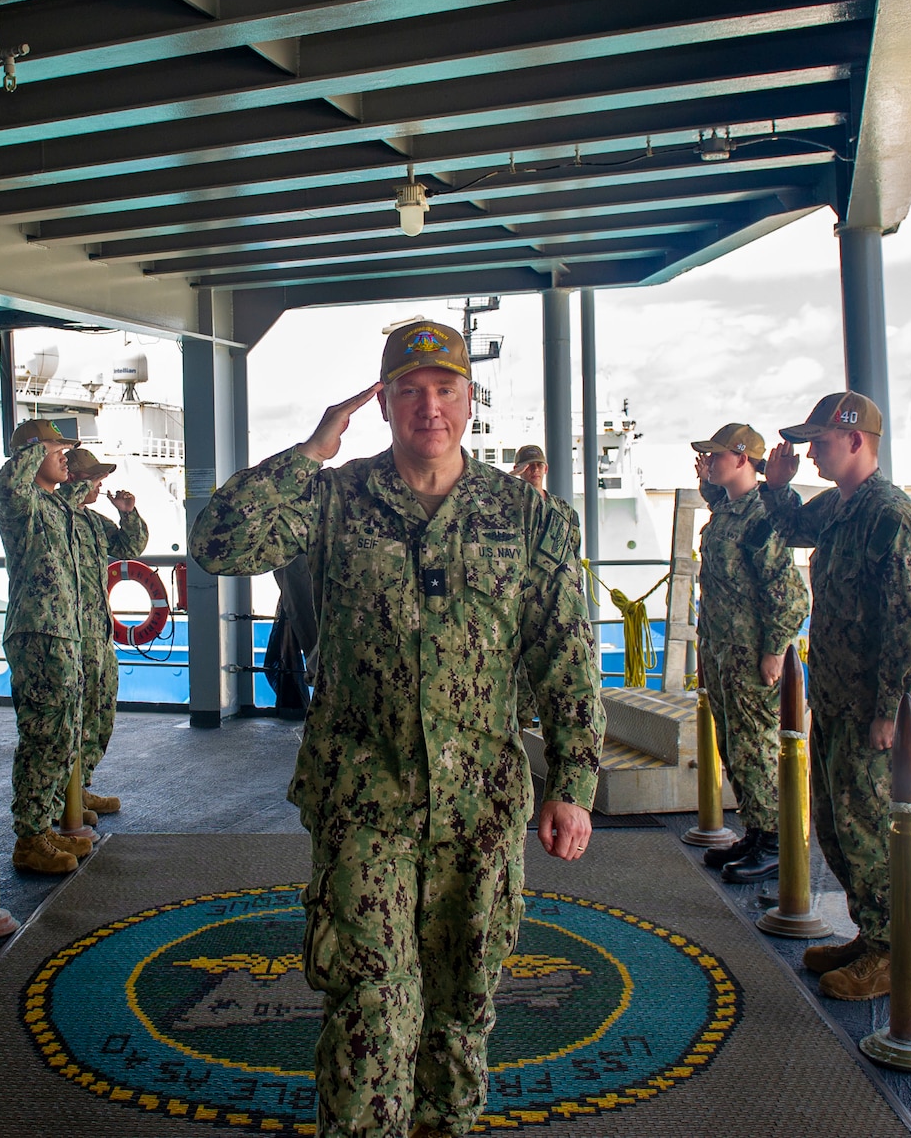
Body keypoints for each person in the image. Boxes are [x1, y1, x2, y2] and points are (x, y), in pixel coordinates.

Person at [190, 319, 604, 1136]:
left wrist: (574, 785)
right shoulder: (334, 498)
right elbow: (216, 542)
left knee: (461, 1008)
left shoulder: (529, 516)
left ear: (469, 398)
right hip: (365, 801)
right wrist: (310, 451)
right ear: (381, 403)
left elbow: (565, 654)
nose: (429, 407)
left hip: (479, 809)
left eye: (445, 389)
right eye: (409, 391)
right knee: (369, 1005)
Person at [764, 391, 911, 1000]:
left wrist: (893, 708)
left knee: (865, 826)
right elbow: (786, 527)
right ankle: (873, 935)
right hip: (833, 698)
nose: (811, 452)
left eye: (821, 441)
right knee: (835, 826)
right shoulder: (840, 509)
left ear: (857, 440)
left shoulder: (890, 515)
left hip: (870, 707)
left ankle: (895, 953)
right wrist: (777, 483)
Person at [689, 424, 808, 883]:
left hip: (749, 654)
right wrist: (707, 485)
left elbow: (792, 596)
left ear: (742, 459)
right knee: (732, 745)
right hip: (722, 650)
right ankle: (758, 831)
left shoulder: (761, 517)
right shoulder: (728, 509)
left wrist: (774, 650)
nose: (710, 462)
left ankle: (776, 841)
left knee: (754, 745)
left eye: (717, 456)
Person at [0, 419, 94, 875]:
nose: (64, 458)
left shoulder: (56, 506)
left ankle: (45, 821)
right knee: (43, 736)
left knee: (64, 734)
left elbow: (83, 486)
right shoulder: (21, 501)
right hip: (38, 633)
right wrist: (35, 448)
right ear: (32, 453)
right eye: (57, 450)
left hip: (64, 632)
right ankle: (29, 837)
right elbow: (8, 481)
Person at [62, 447, 148, 816]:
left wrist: (127, 515)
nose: (102, 484)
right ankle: (62, 799)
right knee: (69, 718)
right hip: (67, 633)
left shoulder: (94, 523)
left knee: (99, 711)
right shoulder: (56, 517)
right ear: (76, 481)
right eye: (95, 477)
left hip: (97, 633)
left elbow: (131, 547)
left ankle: (81, 785)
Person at [509, 444, 583, 731]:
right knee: (519, 678)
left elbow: (573, 551)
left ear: (546, 469)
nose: (534, 471)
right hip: (520, 604)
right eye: (527, 466)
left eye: (538, 465)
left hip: (557, 603)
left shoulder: (563, 510)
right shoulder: (507, 509)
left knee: (561, 677)